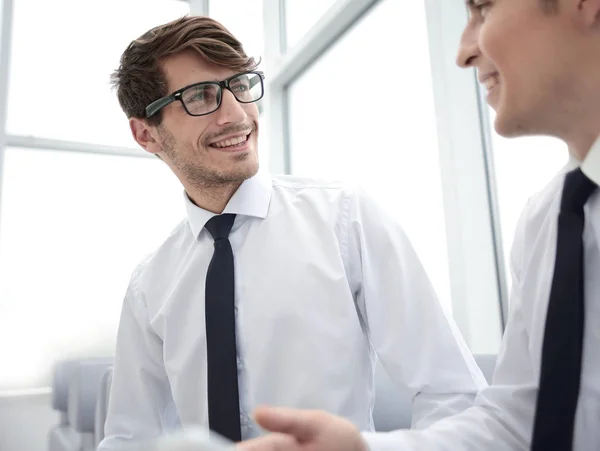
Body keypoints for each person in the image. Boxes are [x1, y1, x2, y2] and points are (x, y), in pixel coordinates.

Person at [97, 15, 486, 451]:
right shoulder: (149, 285)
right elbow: (129, 439)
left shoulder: (345, 219)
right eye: (201, 96)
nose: (237, 114)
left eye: (241, 85)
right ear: (145, 134)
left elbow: (453, 392)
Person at [236, 0, 600, 450]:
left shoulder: (343, 215)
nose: (464, 51)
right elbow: (516, 422)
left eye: (483, 10)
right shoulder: (550, 219)